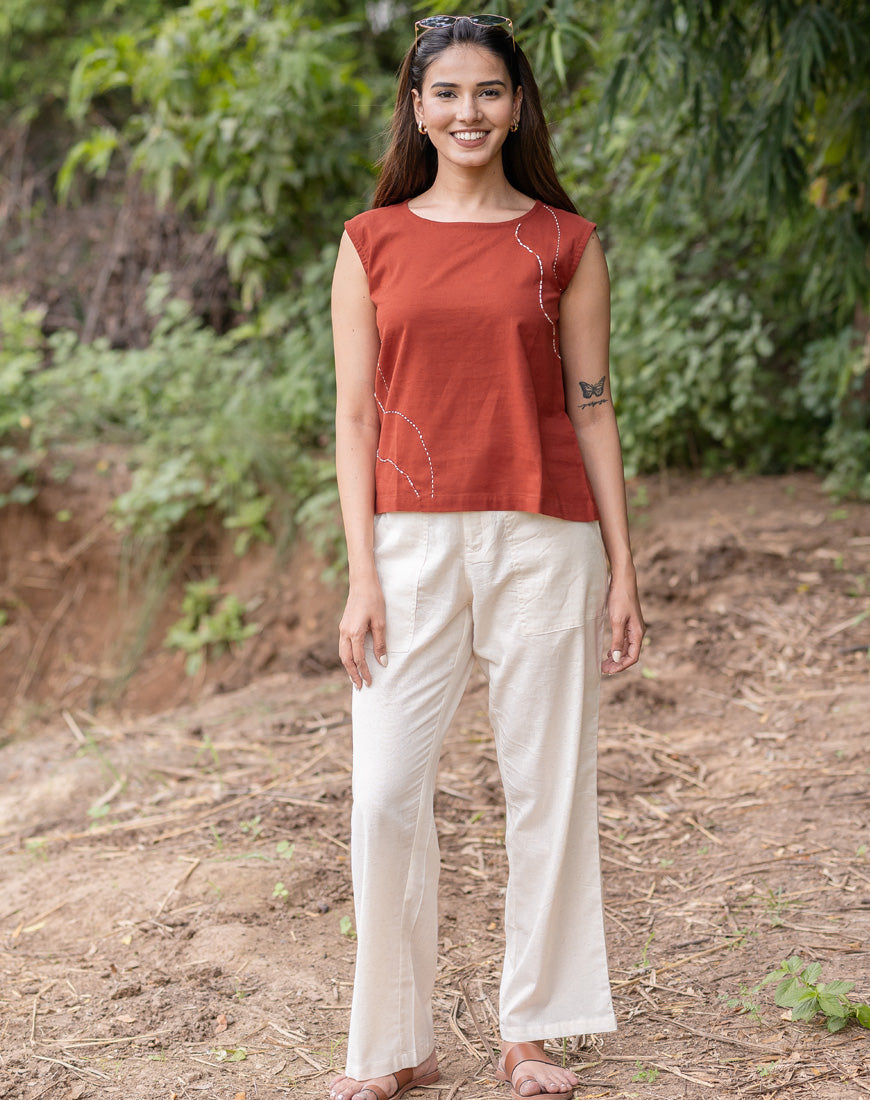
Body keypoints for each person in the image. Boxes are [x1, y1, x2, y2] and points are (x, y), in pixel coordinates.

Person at [329, 14, 644, 1100]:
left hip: (545, 536)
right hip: (409, 541)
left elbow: (594, 408)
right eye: (448, 93)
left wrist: (623, 566)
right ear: (416, 107)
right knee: (384, 791)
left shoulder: (565, 240)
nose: (469, 113)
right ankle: (393, 1043)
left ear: (518, 105)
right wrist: (361, 573)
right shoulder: (370, 241)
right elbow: (355, 421)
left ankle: (534, 1027)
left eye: (490, 92)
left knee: (546, 781)